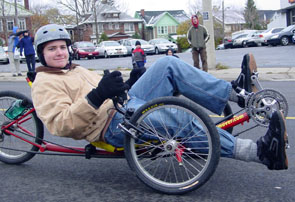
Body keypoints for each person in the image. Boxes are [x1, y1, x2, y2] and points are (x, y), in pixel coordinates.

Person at [31, 24, 288, 171]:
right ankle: (261, 152)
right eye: (52, 49)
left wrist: (129, 83)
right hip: (108, 127)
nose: (59, 53)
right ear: (42, 54)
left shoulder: (75, 69)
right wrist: (97, 96)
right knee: (179, 117)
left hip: (122, 105)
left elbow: (107, 90)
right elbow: (60, 124)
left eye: (62, 47)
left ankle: (239, 93)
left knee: (167, 64)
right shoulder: (45, 82)